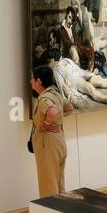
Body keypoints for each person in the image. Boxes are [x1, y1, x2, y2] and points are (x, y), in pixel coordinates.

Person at [30, 65, 67, 197]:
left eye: (32, 78)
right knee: (59, 183)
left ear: (39, 81)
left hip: (48, 145)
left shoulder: (44, 98)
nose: (31, 81)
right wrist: (57, 121)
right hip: (59, 141)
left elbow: (52, 112)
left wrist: (46, 123)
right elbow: (70, 107)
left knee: (48, 183)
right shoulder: (55, 94)